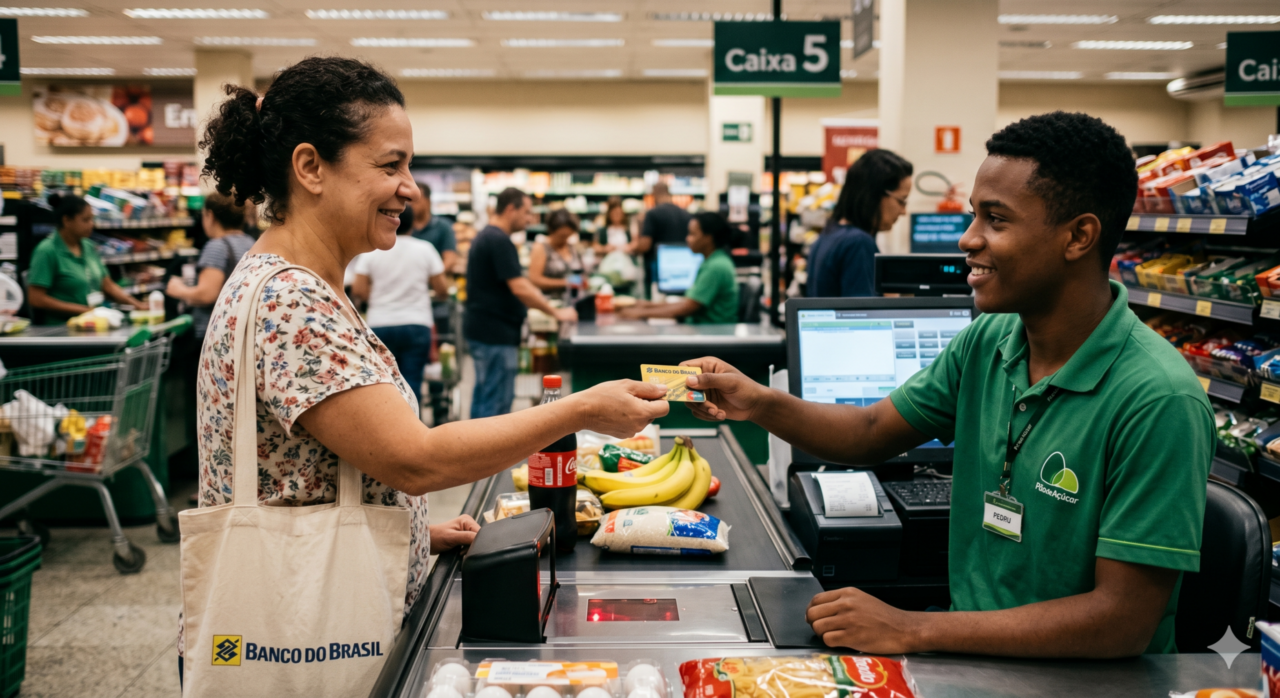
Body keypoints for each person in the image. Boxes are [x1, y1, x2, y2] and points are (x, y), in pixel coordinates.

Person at [183, 56, 667, 686]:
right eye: (391, 166)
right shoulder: (291, 304)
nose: (409, 187)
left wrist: (414, 532)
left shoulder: (293, 283)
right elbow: (418, 460)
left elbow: (320, 466)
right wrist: (579, 409)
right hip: (303, 634)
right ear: (310, 168)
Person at [680, 112, 1213, 658]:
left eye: (996, 220)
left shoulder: (1158, 400)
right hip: (973, 661)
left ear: (1078, 236)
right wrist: (759, 401)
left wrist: (912, 630)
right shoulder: (990, 340)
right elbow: (869, 430)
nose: (968, 238)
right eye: (972, 215)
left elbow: (1121, 622)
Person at [464, 187, 577, 418]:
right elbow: (520, 287)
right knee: (495, 405)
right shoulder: (498, 239)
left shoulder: (488, 236)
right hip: (495, 334)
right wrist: (556, 312)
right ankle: (489, 453)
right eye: (526, 212)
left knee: (486, 395)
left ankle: (476, 452)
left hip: (486, 332)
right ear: (510, 209)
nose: (530, 218)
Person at [351, 207, 449, 408]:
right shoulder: (425, 249)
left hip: (380, 324)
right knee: (412, 382)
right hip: (417, 323)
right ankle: (412, 431)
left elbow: (359, 289)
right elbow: (442, 289)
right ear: (413, 224)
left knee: (383, 385)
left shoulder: (372, 251)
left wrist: (381, 299)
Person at [27, 193, 148, 323]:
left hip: (94, 324)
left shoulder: (88, 246)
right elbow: (36, 298)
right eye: (85, 220)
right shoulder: (46, 251)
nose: (91, 224)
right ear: (67, 220)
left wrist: (137, 305)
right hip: (61, 330)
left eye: (92, 219)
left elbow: (108, 286)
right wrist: (85, 311)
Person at [807, 149, 913, 297]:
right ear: (875, 195)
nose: (903, 211)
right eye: (901, 201)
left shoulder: (830, 234)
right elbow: (864, 316)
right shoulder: (858, 243)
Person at [619, 211, 738, 324]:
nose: (687, 239)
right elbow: (688, 303)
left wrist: (640, 313)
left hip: (712, 337)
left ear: (708, 238)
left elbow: (687, 308)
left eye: (692, 234)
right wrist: (646, 305)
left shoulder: (716, 267)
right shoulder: (713, 261)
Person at [164, 192, 255, 339]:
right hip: (236, 330)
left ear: (210, 216)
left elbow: (207, 295)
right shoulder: (250, 242)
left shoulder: (217, 246)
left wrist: (179, 290)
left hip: (213, 334)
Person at [631, 182, 691, 294]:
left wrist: (631, 248)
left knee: (657, 304)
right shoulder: (686, 214)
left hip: (658, 271)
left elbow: (645, 245)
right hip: (683, 268)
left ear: (654, 193)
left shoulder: (652, 214)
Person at [528, 209, 586, 302]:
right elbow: (535, 280)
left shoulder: (573, 248)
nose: (565, 239)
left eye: (568, 236)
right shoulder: (541, 248)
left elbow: (583, 274)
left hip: (574, 301)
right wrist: (566, 282)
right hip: (550, 303)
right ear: (551, 231)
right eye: (562, 236)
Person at [410, 181, 459, 272]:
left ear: (428, 201)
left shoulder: (443, 226)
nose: (411, 205)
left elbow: (450, 258)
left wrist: (434, 277)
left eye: (416, 201)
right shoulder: (403, 227)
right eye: (409, 201)